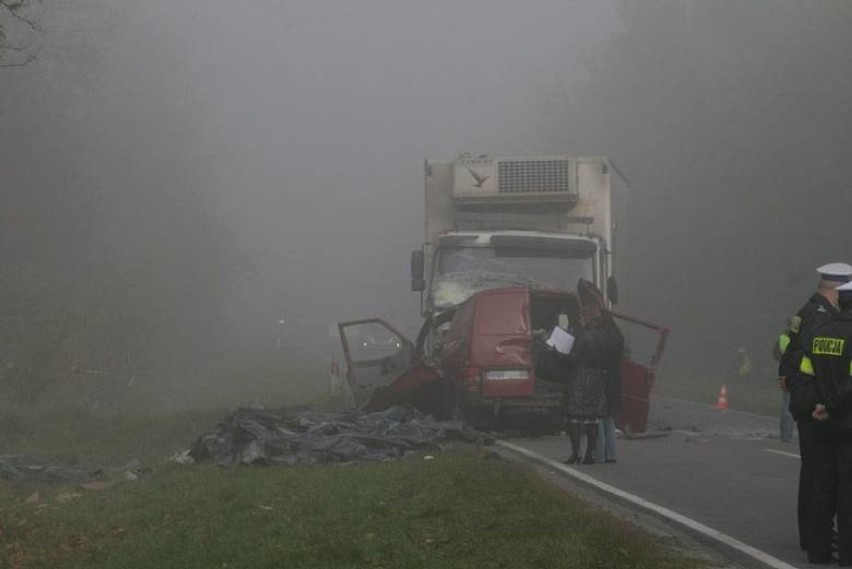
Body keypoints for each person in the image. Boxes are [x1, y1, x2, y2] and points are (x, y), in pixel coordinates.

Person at [781, 262, 852, 556]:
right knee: (821, 476)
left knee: (818, 475)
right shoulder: (820, 316)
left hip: (816, 404)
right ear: (836, 290)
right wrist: (820, 404)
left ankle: (817, 539)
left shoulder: (813, 314)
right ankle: (816, 536)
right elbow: (811, 365)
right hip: (821, 407)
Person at [801, 280, 852, 565]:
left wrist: (816, 405)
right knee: (848, 493)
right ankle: (848, 554)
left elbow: (806, 374)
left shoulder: (821, 333)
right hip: (847, 422)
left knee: (822, 489)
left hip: (820, 422)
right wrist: (832, 407)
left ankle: (818, 552)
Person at [561, 280, 621, 465]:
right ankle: (608, 454)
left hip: (591, 378)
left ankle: (595, 454)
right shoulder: (611, 333)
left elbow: (575, 358)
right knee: (606, 416)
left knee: (592, 417)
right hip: (609, 376)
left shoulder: (588, 336)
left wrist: (558, 353)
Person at [596, 313, 625, 463]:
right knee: (608, 418)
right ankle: (611, 454)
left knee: (597, 417)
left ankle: (599, 454)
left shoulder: (601, 338)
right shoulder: (617, 338)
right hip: (613, 382)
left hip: (600, 380)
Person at [774, 324, 795, 442]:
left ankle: (785, 435)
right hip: (802, 374)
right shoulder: (806, 336)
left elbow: (775, 354)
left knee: (786, 405)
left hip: (786, 373)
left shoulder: (783, 338)